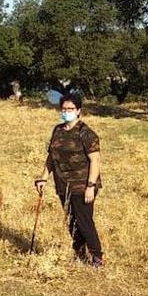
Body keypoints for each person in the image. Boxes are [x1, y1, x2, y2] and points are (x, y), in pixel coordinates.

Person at [36, 92, 104, 266]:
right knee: (72, 221)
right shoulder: (57, 130)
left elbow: (95, 160)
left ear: (78, 110)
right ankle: (79, 253)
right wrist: (43, 178)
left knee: (84, 220)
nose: (67, 111)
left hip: (82, 184)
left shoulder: (86, 133)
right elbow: (51, 157)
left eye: (71, 108)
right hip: (62, 184)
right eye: (64, 108)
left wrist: (90, 185)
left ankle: (97, 256)